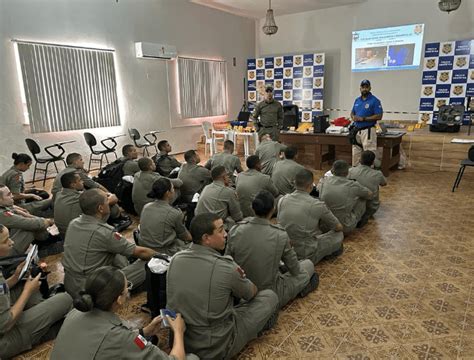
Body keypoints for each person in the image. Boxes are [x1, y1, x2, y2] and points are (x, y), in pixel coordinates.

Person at [166, 213, 279, 360]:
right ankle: (258, 326)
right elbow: (251, 293)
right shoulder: (224, 266)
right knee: (269, 297)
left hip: (180, 339)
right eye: (220, 231)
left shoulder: (175, 259)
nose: (226, 234)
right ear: (206, 238)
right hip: (216, 346)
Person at [51, 266, 198, 360]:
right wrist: (178, 331)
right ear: (119, 299)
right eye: (127, 287)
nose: (129, 290)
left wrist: (145, 331)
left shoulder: (76, 312)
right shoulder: (119, 337)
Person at [226, 191, 318, 308]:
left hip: (241, 289)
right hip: (269, 291)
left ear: (253, 208)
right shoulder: (279, 234)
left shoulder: (235, 230)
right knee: (308, 265)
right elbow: (295, 270)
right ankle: (299, 290)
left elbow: (227, 262)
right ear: (273, 209)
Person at [62, 189, 157, 297]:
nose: (109, 201)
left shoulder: (73, 223)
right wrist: (162, 256)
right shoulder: (104, 233)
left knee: (116, 251)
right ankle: (120, 288)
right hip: (91, 289)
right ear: (100, 208)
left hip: (71, 282)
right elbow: (140, 252)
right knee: (146, 264)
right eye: (107, 200)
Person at [0, 224, 72, 359]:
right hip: (5, 337)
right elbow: (5, 324)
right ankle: (41, 331)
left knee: (26, 285)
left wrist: (15, 277)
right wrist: (27, 291)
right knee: (66, 299)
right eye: (5, 241)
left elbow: (1, 287)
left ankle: (42, 322)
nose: (12, 242)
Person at [277, 169, 344, 264]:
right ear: (311, 186)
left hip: (285, 250)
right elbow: (338, 227)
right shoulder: (317, 205)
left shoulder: (282, 200)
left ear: (294, 183)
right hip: (304, 253)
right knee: (338, 235)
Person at [140, 178, 191, 255]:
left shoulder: (146, 206)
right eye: (173, 188)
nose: (174, 191)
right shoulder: (174, 213)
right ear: (168, 193)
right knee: (194, 246)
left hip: (144, 247)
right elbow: (185, 236)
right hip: (162, 251)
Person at [319, 160, 373, 234]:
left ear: (332, 171)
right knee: (362, 198)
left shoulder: (323, 181)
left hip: (324, 226)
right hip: (345, 226)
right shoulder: (353, 185)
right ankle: (360, 221)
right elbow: (370, 194)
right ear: (347, 173)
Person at [0, 184, 55, 256]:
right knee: (32, 227)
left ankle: (46, 241)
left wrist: (24, 214)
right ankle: (47, 244)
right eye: (8, 195)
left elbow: (13, 210)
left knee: (30, 221)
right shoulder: (2, 214)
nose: (12, 196)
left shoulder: (3, 207)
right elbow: (33, 224)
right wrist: (50, 221)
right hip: (4, 253)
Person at [350, 79, 383, 166]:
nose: (364, 89)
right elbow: (352, 112)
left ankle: (369, 175)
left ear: (370, 88)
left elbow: (379, 115)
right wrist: (353, 117)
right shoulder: (357, 100)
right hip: (356, 131)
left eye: (366, 87)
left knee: (369, 155)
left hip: (368, 131)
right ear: (360, 88)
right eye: (363, 87)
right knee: (356, 154)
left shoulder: (375, 100)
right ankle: (355, 174)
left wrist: (363, 119)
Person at [348, 150, 387, 220]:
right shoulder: (378, 174)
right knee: (375, 185)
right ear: (373, 162)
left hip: (353, 206)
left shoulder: (351, 171)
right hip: (371, 208)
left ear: (360, 160)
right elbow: (384, 183)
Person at [53, 172, 84, 238]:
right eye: (80, 180)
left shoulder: (59, 194)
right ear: (73, 185)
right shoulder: (78, 198)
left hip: (61, 230)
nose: (82, 182)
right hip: (73, 233)